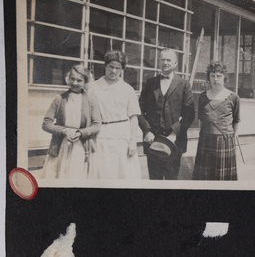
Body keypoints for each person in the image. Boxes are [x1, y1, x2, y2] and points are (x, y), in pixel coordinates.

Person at [138, 48, 196, 180]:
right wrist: (146, 131)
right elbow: (139, 110)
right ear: (159, 61)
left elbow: (189, 114)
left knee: (171, 181)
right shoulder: (150, 83)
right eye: (162, 59)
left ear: (176, 63)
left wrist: (173, 134)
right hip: (152, 140)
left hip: (174, 142)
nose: (165, 62)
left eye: (168, 60)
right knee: (154, 181)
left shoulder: (183, 84)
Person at [41, 64, 101, 179]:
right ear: (68, 79)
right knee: (59, 177)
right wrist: (63, 130)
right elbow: (46, 124)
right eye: (72, 79)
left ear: (85, 83)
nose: (75, 83)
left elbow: (97, 125)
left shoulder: (91, 100)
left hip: (81, 147)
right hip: (61, 145)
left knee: (77, 177)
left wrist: (80, 133)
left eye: (79, 80)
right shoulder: (59, 98)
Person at [88, 51, 142, 180]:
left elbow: (133, 117)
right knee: (103, 173)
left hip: (122, 136)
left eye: (118, 68)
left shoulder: (127, 89)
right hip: (100, 135)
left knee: (124, 173)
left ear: (122, 69)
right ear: (105, 66)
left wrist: (133, 141)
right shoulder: (93, 87)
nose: (113, 71)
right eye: (111, 67)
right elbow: (88, 116)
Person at [192, 61, 240, 180]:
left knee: (223, 178)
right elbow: (202, 119)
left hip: (224, 141)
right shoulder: (203, 96)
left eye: (219, 76)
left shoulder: (233, 97)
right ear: (209, 78)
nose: (215, 79)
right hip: (206, 139)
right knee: (204, 177)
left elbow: (236, 120)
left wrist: (233, 138)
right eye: (212, 76)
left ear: (225, 78)